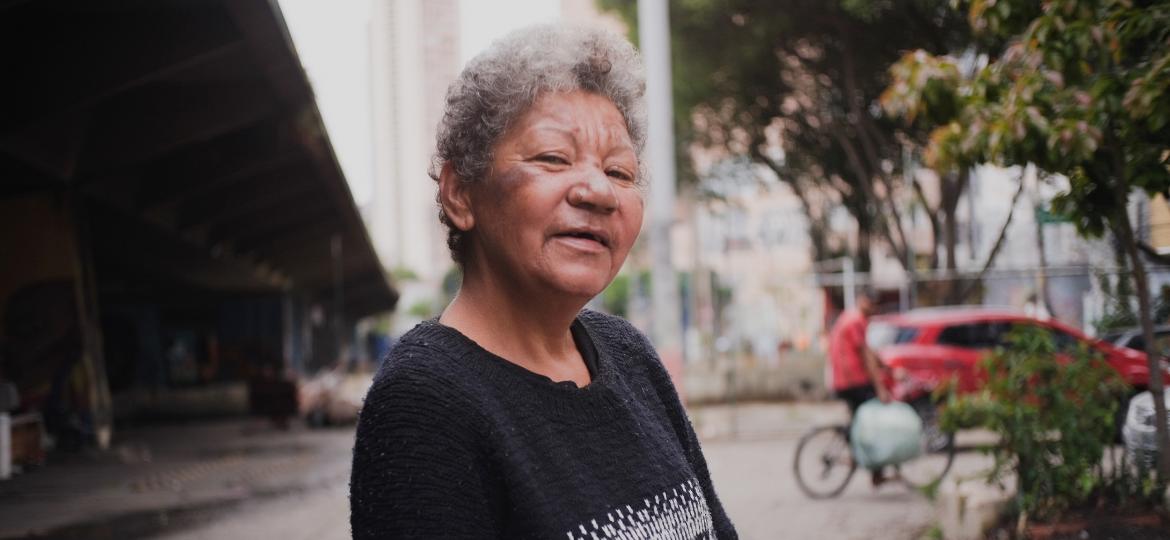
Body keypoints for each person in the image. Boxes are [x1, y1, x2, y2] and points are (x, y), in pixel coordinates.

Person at [350, 24, 737, 539]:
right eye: (554, 158)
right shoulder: (425, 403)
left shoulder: (629, 355)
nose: (600, 191)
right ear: (460, 194)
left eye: (620, 172)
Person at [826, 291, 891, 484]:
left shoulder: (850, 317)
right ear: (862, 301)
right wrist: (880, 387)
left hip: (844, 380)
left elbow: (868, 351)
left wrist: (885, 366)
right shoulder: (856, 321)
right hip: (852, 381)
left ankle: (859, 451)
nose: (872, 308)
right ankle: (874, 468)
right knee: (874, 419)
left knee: (862, 418)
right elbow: (866, 357)